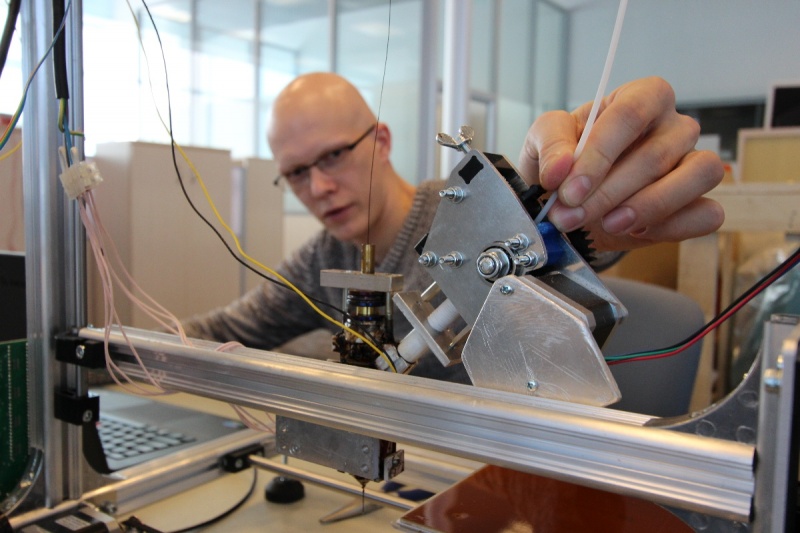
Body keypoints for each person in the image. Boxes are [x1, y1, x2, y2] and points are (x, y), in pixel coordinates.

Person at [181, 72, 724, 381]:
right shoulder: (322, 257)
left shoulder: (473, 213)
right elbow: (214, 335)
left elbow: (570, 241)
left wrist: (592, 207)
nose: (319, 187)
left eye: (333, 156)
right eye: (296, 173)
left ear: (381, 141)